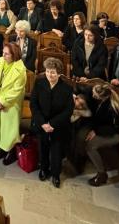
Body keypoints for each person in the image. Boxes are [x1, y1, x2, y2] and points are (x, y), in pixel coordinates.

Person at [30, 57, 74, 188]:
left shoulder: (67, 88)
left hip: (58, 126)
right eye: (48, 71)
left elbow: (68, 110)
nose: (50, 74)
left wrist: (52, 124)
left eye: (53, 72)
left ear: (59, 74)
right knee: (42, 147)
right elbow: (33, 104)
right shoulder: (39, 83)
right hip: (42, 124)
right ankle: (43, 169)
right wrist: (42, 123)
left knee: (56, 151)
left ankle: (55, 174)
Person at [75, 83, 119, 186]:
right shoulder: (103, 99)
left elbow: (113, 129)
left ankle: (102, 174)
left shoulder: (113, 107)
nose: (93, 96)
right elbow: (85, 89)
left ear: (103, 96)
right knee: (83, 136)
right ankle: (82, 160)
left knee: (90, 146)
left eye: (95, 95)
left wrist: (96, 131)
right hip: (102, 129)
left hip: (114, 135)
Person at [0, 43, 27, 165]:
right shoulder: (0, 63)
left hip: (11, 104)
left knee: (9, 129)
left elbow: (17, 90)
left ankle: (11, 150)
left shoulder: (20, 70)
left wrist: (2, 102)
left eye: (6, 54)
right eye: (3, 53)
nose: (3, 56)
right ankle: (1, 147)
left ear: (14, 55)